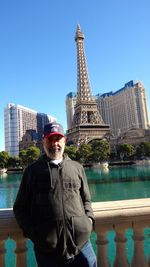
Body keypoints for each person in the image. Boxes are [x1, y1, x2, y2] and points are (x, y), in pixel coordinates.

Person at [13, 122, 97, 267]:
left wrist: (88, 222)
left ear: (64, 140)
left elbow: (86, 200)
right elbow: (20, 207)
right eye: (50, 139)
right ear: (43, 142)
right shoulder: (32, 171)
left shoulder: (77, 168)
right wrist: (35, 234)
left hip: (82, 246)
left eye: (58, 139)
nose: (54, 144)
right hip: (48, 251)